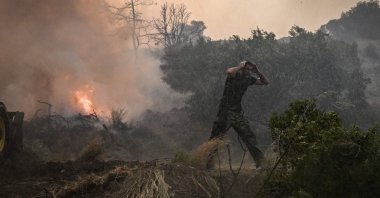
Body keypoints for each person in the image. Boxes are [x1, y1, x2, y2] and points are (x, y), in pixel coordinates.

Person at [208, 60, 269, 169]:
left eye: (250, 69)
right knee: (216, 138)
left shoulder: (248, 79)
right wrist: (240, 66)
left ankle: (261, 163)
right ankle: (208, 164)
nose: (249, 71)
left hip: (237, 113)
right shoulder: (234, 75)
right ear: (242, 68)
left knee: (249, 137)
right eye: (247, 69)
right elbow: (229, 71)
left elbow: (265, 82)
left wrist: (258, 71)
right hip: (225, 112)